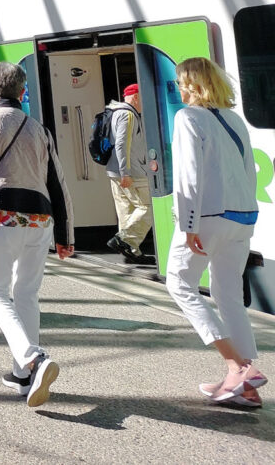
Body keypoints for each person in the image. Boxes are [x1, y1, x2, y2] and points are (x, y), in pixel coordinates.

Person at [0, 62, 74, 408]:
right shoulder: (40, 129)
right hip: (40, 219)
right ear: (23, 93)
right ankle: (23, 376)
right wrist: (66, 233)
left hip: (1, 215)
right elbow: (59, 183)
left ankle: (32, 359)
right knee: (26, 294)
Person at [165, 57, 265, 407]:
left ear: (190, 84)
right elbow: (247, 171)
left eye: (180, 82)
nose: (178, 88)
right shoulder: (234, 119)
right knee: (229, 296)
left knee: (179, 282)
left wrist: (187, 224)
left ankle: (236, 366)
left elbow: (188, 175)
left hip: (208, 217)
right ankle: (246, 386)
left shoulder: (187, 117)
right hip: (242, 218)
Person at [104, 83, 154, 264]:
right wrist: (126, 172)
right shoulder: (128, 114)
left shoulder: (114, 112)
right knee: (148, 207)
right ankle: (124, 240)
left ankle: (132, 251)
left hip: (114, 171)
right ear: (136, 97)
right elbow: (121, 144)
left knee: (126, 210)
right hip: (130, 171)